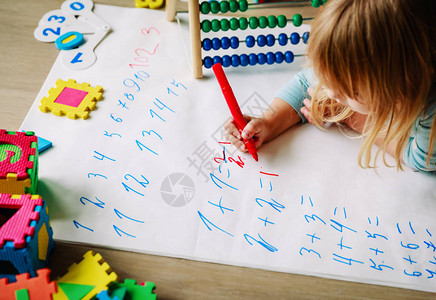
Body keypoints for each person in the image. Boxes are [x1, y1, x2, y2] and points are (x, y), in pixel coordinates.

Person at [224, 0, 436, 172]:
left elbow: (421, 158)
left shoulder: (429, 107)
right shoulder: (358, 63)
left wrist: (353, 117)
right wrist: (269, 122)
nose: (331, 92)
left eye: (352, 92)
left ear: (401, 87)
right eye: (328, 79)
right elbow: (306, 81)